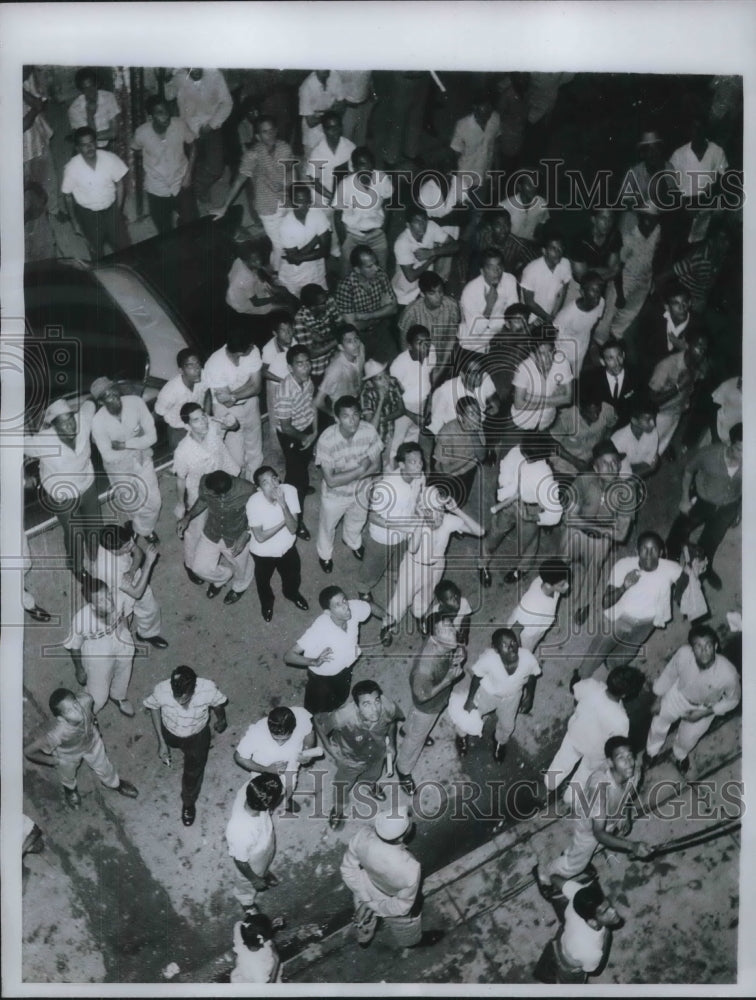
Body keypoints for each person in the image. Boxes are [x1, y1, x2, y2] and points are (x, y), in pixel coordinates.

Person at [537, 736, 653, 888]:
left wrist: (625, 813)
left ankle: (577, 854)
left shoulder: (633, 772)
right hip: (589, 828)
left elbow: (628, 795)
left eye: (630, 756)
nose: (629, 762)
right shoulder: (601, 789)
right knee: (576, 864)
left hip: (608, 819)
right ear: (610, 762)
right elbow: (598, 833)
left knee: (598, 846)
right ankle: (546, 873)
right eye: (621, 758)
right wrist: (632, 846)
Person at [340, 805, 444, 950]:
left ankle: (365, 938)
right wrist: (374, 906)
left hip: (363, 887)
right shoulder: (410, 869)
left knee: (363, 918)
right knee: (406, 928)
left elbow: (348, 870)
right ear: (401, 837)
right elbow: (402, 906)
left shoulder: (362, 836)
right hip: (388, 903)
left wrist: (366, 899)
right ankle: (412, 942)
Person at [645, 624, 740, 779]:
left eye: (708, 645)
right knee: (657, 724)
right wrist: (658, 697)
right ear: (691, 648)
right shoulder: (683, 654)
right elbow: (669, 674)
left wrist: (705, 713)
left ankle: (680, 755)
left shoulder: (728, 674)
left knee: (687, 739)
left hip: (703, 708)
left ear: (716, 646)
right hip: (677, 695)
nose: (703, 651)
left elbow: (733, 700)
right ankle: (651, 752)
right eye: (698, 646)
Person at [581, 532, 682, 679]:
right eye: (644, 549)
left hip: (647, 623)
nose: (648, 554)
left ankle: (612, 668)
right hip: (618, 620)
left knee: (627, 652)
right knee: (598, 650)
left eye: (653, 549)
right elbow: (605, 603)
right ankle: (581, 675)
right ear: (636, 551)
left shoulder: (671, 568)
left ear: (661, 552)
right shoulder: (623, 565)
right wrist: (624, 586)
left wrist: (694, 573)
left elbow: (686, 588)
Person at [24, 396, 102, 579]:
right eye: (63, 424)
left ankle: (97, 558)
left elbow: (91, 402)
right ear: (53, 427)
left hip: (87, 485)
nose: (71, 426)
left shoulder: (83, 420)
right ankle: (76, 566)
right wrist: (24, 477)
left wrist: (83, 403)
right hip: (62, 495)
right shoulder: (42, 442)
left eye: (71, 419)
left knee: (95, 526)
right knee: (75, 533)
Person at [388, 486, 484, 633]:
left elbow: (480, 531)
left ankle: (419, 616)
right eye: (434, 510)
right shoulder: (415, 522)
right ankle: (388, 626)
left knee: (426, 597)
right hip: (414, 566)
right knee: (402, 598)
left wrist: (456, 510)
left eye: (441, 509)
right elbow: (412, 549)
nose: (439, 515)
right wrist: (421, 520)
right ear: (425, 511)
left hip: (437, 565)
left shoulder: (448, 520)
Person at [24, 688, 138, 810]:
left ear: (78, 699)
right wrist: (52, 761)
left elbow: (91, 713)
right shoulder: (58, 733)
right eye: (69, 710)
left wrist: (95, 725)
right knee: (67, 774)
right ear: (61, 718)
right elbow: (28, 751)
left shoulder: (86, 700)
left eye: (75, 704)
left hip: (92, 743)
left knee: (105, 767)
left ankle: (114, 783)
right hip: (69, 755)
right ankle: (70, 789)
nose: (77, 710)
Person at [544, 667, 645, 804]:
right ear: (624, 695)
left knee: (561, 762)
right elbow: (615, 745)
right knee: (584, 776)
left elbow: (575, 690)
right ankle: (569, 799)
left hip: (574, 737)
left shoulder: (592, 686)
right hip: (595, 754)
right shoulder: (621, 720)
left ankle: (549, 786)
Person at [561, 440, 635, 627]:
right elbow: (568, 519)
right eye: (605, 463)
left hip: (601, 540)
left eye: (614, 463)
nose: (611, 467)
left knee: (594, 569)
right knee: (561, 560)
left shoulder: (627, 491)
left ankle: (583, 604)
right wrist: (602, 528)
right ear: (595, 466)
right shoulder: (583, 480)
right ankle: (554, 588)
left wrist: (593, 528)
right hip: (579, 532)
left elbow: (621, 535)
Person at [144, 664, 228, 827]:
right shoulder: (162, 690)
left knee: (193, 772)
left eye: (185, 697)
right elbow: (154, 708)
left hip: (197, 736)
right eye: (177, 696)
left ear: (194, 687)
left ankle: (188, 803)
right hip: (170, 732)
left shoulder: (208, 689)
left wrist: (221, 720)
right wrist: (162, 742)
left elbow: (218, 704)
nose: (180, 701)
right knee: (172, 744)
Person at [284, 587, 386, 716]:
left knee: (340, 697)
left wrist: (387, 617)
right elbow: (289, 656)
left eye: (344, 600)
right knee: (315, 708)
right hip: (322, 677)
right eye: (338, 605)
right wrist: (314, 662)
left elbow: (369, 606)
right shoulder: (320, 628)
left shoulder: (353, 608)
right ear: (328, 611)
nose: (345, 607)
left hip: (344, 669)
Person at [63, 567, 150, 716]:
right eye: (101, 600)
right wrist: (79, 669)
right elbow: (74, 646)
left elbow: (126, 614)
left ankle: (118, 697)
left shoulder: (120, 597)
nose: (109, 601)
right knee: (98, 695)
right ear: (92, 604)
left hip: (121, 644)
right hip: (98, 655)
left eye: (108, 594)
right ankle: (89, 715)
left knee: (123, 673)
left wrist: (126, 635)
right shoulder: (81, 619)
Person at [666, 422, 742, 593]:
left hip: (728, 506)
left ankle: (704, 569)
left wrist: (738, 511)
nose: (744, 456)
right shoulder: (710, 453)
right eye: (740, 450)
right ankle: (669, 562)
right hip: (702, 499)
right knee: (681, 530)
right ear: (730, 444)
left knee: (711, 540)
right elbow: (688, 470)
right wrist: (685, 498)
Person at [479, 431, 562, 586]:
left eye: (528, 454)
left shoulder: (546, 479)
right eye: (524, 449)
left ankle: (522, 568)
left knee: (528, 543)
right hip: (509, 504)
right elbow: (505, 465)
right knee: (495, 533)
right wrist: (504, 486)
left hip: (531, 509)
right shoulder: (519, 449)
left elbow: (555, 514)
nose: (523, 454)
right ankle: (482, 564)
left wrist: (531, 518)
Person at [395, 613, 466, 793]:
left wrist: (460, 654)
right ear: (433, 637)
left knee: (414, 725)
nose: (452, 632)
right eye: (445, 630)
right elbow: (421, 696)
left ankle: (404, 729)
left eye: (450, 626)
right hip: (427, 705)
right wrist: (447, 681)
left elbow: (458, 648)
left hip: (436, 697)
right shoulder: (424, 668)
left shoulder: (446, 642)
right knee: (416, 738)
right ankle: (403, 770)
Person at [213, 116, 296, 269]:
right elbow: (239, 180)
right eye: (265, 132)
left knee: (289, 239)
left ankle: (276, 268)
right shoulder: (252, 155)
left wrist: (289, 186)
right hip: (267, 207)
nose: (270, 135)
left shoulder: (285, 148)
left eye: (272, 130)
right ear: (257, 136)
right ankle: (278, 274)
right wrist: (224, 207)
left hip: (287, 201)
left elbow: (290, 171)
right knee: (281, 246)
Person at [313, 395, 383, 573]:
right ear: (337, 418)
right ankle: (325, 554)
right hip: (335, 496)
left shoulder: (369, 431)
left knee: (358, 519)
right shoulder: (326, 440)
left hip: (361, 490)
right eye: (346, 416)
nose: (352, 421)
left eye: (355, 415)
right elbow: (331, 481)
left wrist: (353, 476)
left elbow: (377, 466)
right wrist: (360, 470)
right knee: (327, 526)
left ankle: (352, 541)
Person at [322, 680, 403, 829]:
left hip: (377, 754)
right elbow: (319, 724)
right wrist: (331, 750)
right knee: (342, 786)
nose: (375, 709)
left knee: (373, 775)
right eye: (366, 704)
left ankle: (368, 785)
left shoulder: (388, 706)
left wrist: (391, 742)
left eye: (376, 701)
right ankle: (338, 810)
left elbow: (392, 722)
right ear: (357, 706)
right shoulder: (342, 717)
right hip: (351, 759)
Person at [173, 403, 240, 582]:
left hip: (224, 482)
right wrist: (180, 502)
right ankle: (189, 564)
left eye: (203, 415)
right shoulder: (183, 451)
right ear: (187, 425)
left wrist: (231, 421)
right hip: (198, 493)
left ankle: (218, 550)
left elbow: (233, 426)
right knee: (195, 530)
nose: (203, 421)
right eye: (196, 420)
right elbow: (180, 478)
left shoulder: (213, 425)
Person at [90, 377, 162, 544]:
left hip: (143, 460)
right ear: (101, 402)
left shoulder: (135, 403)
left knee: (154, 501)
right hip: (118, 469)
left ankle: (142, 528)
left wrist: (125, 445)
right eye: (107, 395)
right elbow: (107, 455)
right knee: (131, 503)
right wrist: (136, 446)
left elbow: (152, 437)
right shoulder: (98, 421)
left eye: (114, 390)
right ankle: (142, 529)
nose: (114, 396)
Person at [452, 628, 541, 763]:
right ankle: (461, 737)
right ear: (496, 649)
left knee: (508, 725)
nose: (511, 648)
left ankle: (499, 742)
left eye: (513, 642)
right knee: (468, 715)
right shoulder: (489, 659)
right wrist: (470, 699)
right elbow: (477, 677)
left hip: (512, 698)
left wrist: (530, 697)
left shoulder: (527, 657)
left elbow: (533, 675)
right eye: (504, 645)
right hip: (488, 693)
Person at [357, 442, 426, 604]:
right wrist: (399, 526)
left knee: (398, 558)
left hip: (404, 532)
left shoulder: (419, 477)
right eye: (413, 462)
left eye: (420, 461)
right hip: (383, 537)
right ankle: (363, 588)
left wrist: (419, 509)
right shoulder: (387, 487)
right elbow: (373, 517)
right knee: (373, 566)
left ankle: (393, 573)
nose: (419, 466)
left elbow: (416, 497)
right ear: (401, 464)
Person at [177, 470, 255, 603]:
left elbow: (260, 512)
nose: (208, 493)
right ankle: (221, 579)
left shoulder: (248, 489)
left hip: (236, 537)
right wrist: (187, 517)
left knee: (243, 568)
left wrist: (246, 534)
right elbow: (202, 500)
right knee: (199, 568)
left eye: (212, 494)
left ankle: (240, 587)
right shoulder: (206, 482)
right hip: (212, 533)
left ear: (223, 494)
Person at [246, 465, 309, 622]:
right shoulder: (253, 503)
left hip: (287, 548)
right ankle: (267, 603)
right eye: (266, 482)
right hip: (263, 553)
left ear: (279, 478)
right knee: (263, 581)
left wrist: (284, 505)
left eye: (274, 478)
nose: (273, 484)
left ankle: (292, 594)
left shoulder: (289, 491)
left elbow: (293, 528)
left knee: (293, 576)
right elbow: (260, 537)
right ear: (259, 488)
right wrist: (284, 521)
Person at [93, 522, 168, 649]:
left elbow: (138, 553)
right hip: (115, 593)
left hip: (130, 574)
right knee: (123, 624)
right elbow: (136, 594)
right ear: (112, 550)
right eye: (125, 548)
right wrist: (149, 563)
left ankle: (147, 634)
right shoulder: (106, 568)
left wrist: (132, 571)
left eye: (129, 544)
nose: (129, 547)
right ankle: (127, 646)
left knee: (151, 608)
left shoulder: (122, 538)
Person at [131, 95, 197, 234]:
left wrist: (189, 174)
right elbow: (135, 149)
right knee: (165, 231)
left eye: (167, 111)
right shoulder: (141, 133)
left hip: (181, 183)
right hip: (157, 189)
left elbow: (193, 146)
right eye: (159, 112)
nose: (166, 116)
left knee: (193, 224)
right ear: (150, 116)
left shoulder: (179, 124)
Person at [533, 877, 620, 984]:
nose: (613, 911)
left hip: (560, 941)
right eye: (605, 912)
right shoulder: (592, 951)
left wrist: (549, 879)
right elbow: (591, 970)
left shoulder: (579, 896)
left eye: (609, 905)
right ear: (592, 922)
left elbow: (556, 879)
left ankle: (543, 975)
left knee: (545, 967)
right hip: (569, 964)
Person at [203, 329, 264, 481]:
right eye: (249, 346)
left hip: (250, 403)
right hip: (226, 411)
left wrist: (233, 395)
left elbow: (256, 386)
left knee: (255, 447)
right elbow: (226, 402)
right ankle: (238, 485)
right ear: (240, 353)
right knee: (235, 457)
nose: (253, 346)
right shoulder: (214, 363)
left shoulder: (253, 350)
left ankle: (254, 481)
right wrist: (244, 389)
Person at [60, 127, 129, 259]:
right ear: (78, 148)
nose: (89, 147)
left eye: (91, 143)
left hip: (111, 209)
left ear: (96, 143)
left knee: (124, 246)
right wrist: (74, 222)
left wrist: (118, 210)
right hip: (88, 215)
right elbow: (67, 196)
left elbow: (120, 184)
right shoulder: (71, 167)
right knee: (95, 250)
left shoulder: (110, 158)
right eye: (84, 145)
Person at [234, 705, 316, 815]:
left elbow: (309, 732)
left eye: (285, 739)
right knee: (264, 797)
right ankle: (266, 810)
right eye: (276, 738)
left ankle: (285, 802)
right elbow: (238, 756)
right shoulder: (256, 732)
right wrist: (266, 769)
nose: (280, 743)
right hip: (263, 773)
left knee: (290, 786)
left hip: (290, 769)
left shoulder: (301, 716)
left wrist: (307, 750)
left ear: (294, 727)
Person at [273, 345, 317, 539]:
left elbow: (312, 406)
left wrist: (314, 431)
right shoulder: (285, 391)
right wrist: (305, 437)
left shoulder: (308, 381)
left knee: (302, 466)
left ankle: (301, 483)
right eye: (300, 364)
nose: (306, 367)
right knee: (296, 476)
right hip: (292, 435)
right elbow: (285, 427)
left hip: (306, 429)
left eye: (308, 362)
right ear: (290, 367)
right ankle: (297, 522)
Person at [172, 67, 233, 205]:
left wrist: (212, 124)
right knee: (190, 165)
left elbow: (227, 103)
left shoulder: (215, 75)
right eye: (190, 68)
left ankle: (199, 187)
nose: (195, 70)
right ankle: (192, 196)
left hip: (211, 126)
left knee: (216, 168)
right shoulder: (180, 78)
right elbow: (168, 96)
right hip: (188, 128)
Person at [225, 773, 284, 907]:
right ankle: (245, 899)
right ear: (268, 805)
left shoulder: (252, 788)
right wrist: (254, 879)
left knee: (265, 861)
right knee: (246, 882)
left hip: (263, 845)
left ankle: (264, 872)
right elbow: (240, 860)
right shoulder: (240, 831)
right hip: (252, 859)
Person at [332, 149, 393, 274]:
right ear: (354, 167)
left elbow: (388, 204)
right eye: (362, 164)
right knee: (347, 275)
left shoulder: (382, 179)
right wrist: (344, 241)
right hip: (353, 236)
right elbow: (337, 214)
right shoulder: (345, 185)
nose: (367, 168)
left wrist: (383, 230)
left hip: (377, 235)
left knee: (381, 274)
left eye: (369, 164)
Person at [648, 330, 709, 455]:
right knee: (648, 448)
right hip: (660, 415)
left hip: (676, 412)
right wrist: (678, 387)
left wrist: (685, 401)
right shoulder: (667, 366)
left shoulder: (697, 364)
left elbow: (699, 377)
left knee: (661, 445)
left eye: (704, 349)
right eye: (698, 346)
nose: (701, 352)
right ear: (688, 344)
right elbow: (652, 399)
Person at [334, 245, 398, 364]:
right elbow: (353, 326)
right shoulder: (345, 287)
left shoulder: (381, 276)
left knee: (394, 364)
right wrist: (382, 312)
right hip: (359, 338)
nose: (376, 268)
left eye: (376, 263)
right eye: (370, 266)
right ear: (357, 269)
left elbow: (394, 308)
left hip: (381, 330)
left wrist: (366, 316)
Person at [456, 249, 518, 364]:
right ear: (482, 271)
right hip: (472, 346)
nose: (497, 271)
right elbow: (476, 330)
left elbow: (513, 313)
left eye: (499, 266)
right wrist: (489, 306)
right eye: (491, 268)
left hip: (499, 342)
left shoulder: (509, 280)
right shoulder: (470, 291)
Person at [389, 325, 438, 463]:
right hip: (404, 407)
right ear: (409, 346)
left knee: (415, 433)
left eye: (427, 342)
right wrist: (411, 415)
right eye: (419, 343)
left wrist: (429, 402)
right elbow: (395, 397)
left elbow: (430, 375)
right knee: (398, 438)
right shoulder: (398, 366)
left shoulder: (432, 351)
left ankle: (409, 463)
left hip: (422, 402)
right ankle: (392, 467)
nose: (425, 346)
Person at [510, 326, 574, 432]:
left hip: (546, 422)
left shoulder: (562, 362)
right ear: (533, 355)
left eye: (550, 352)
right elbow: (519, 404)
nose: (548, 358)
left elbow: (568, 398)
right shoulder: (524, 369)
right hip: (521, 422)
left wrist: (532, 398)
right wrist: (555, 399)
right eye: (542, 354)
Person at [391, 207, 458, 307]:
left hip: (424, 287)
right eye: (417, 221)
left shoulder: (431, 226)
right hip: (405, 291)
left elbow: (455, 246)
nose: (422, 225)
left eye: (424, 220)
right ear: (408, 225)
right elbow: (411, 277)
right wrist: (431, 258)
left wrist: (432, 252)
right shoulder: (401, 243)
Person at [549, 384, 618, 476]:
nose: (596, 416)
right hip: (567, 461)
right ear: (580, 408)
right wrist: (575, 461)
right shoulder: (566, 418)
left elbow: (611, 425)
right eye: (591, 413)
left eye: (598, 411)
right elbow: (552, 443)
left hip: (592, 459)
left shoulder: (607, 410)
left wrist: (603, 445)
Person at [431, 396, 486, 509]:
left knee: (459, 503)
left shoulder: (477, 428)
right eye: (471, 414)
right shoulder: (446, 434)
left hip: (467, 470)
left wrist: (474, 434)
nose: (477, 417)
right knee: (438, 503)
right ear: (461, 417)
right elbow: (445, 470)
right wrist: (470, 459)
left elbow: (482, 457)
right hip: (446, 473)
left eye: (477, 413)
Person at [505, 559, 571, 652]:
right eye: (562, 584)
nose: (567, 586)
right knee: (528, 650)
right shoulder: (532, 606)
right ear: (548, 585)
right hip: (524, 637)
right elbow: (515, 632)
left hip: (537, 627)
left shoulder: (547, 582)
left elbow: (551, 605)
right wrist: (520, 653)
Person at [277, 184, 331, 298]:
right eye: (299, 201)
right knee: (301, 300)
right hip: (295, 273)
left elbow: (325, 251)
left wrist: (297, 257)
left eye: (307, 201)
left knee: (321, 297)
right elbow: (294, 262)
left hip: (317, 268)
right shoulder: (285, 226)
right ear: (291, 202)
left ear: (311, 201)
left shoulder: (318, 214)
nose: (304, 205)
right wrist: (316, 239)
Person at [397, 272, 460, 367]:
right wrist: (414, 366)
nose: (438, 297)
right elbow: (404, 344)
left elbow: (451, 337)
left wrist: (443, 363)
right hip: (420, 358)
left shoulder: (452, 306)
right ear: (422, 294)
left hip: (443, 354)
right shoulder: (411, 312)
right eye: (432, 293)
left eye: (440, 291)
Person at [154, 349, 211, 452]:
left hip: (200, 423)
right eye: (190, 366)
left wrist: (207, 415)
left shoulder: (204, 375)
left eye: (198, 363)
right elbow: (157, 413)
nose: (197, 369)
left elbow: (207, 392)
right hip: (179, 430)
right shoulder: (170, 391)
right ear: (181, 371)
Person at [225, 238, 297, 317]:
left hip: (247, 288)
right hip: (245, 303)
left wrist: (268, 288)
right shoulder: (246, 279)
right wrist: (274, 298)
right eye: (254, 260)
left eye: (258, 257)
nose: (258, 261)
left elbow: (256, 274)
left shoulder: (240, 260)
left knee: (283, 290)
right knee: (287, 306)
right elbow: (256, 303)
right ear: (245, 260)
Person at [553, 272, 605, 377]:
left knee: (576, 378)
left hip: (581, 348)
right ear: (582, 292)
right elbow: (552, 334)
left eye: (599, 290)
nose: (597, 295)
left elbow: (594, 324)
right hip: (563, 351)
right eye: (593, 290)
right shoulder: (567, 314)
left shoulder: (601, 303)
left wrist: (590, 344)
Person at [583, 337, 642, 427]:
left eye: (619, 356)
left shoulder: (636, 375)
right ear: (602, 361)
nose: (617, 363)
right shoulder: (591, 379)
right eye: (611, 358)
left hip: (628, 424)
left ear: (624, 355)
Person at [293, 285, 343, 385]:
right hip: (318, 369)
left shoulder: (328, 301)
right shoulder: (300, 321)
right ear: (312, 307)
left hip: (336, 357)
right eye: (322, 303)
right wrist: (337, 339)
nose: (327, 303)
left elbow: (341, 325)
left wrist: (322, 339)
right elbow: (310, 353)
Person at [305, 109, 355, 209]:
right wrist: (332, 197)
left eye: (337, 127)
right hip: (323, 198)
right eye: (330, 128)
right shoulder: (317, 152)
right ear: (324, 130)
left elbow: (353, 174)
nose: (334, 131)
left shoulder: (350, 147)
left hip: (344, 196)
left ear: (341, 127)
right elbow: (314, 181)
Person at [519, 232, 572, 325]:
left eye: (560, 248)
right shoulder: (531, 270)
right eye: (553, 248)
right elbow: (529, 302)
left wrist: (555, 315)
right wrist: (547, 318)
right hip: (531, 317)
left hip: (551, 315)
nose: (558, 252)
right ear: (544, 251)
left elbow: (563, 292)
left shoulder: (565, 264)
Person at [450, 91, 501, 186]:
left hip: (484, 173)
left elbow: (496, 145)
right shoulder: (462, 125)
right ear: (475, 107)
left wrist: (496, 171)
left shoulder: (496, 119)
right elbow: (455, 152)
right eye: (483, 112)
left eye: (489, 112)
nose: (486, 117)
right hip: (465, 175)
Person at [359, 360, 406, 464]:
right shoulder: (366, 394)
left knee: (387, 462)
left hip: (390, 430)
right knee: (372, 464)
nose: (385, 380)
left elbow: (402, 410)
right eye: (379, 379)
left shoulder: (393, 382)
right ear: (371, 381)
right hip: (373, 437)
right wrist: (380, 401)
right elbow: (371, 428)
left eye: (385, 375)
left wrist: (383, 419)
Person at [314, 325, 366, 416]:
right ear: (341, 347)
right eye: (349, 341)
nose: (355, 344)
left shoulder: (360, 348)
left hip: (358, 400)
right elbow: (318, 402)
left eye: (356, 339)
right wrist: (334, 415)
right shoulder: (335, 370)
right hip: (343, 410)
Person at [67, 68, 120, 149]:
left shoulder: (109, 97)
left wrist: (93, 137)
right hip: (87, 149)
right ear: (80, 89)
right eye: (85, 88)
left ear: (97, 84)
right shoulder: (74, 109)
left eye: (92, 86)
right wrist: (90, 116)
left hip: (110, 146)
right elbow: (87, 140)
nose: (90, 91)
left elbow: (114, 133)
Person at [298, 69, 346, 156]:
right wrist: (331, 111)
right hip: (313, 135)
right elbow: (311, 122)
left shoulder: (335, 76)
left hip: (331, 130)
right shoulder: (306, 87)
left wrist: (322, 114)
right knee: (314, 164)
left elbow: (342, 104)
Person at [229, 910, 282, 984]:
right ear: (263, 940)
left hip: (244, 971)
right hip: (256, 983)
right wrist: (277, 961)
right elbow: (267, 988)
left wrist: (268, 926)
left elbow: (246, 925)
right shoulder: (257, 968)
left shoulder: (240, 929)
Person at [498, 170, 550, 243]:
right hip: (510, 245)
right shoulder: (505, 205)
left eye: (535, 184)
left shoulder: (541, 203)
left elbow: (541, 224)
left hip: (529, 245)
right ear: (520, 187)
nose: (533, 188)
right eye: (529, 184)